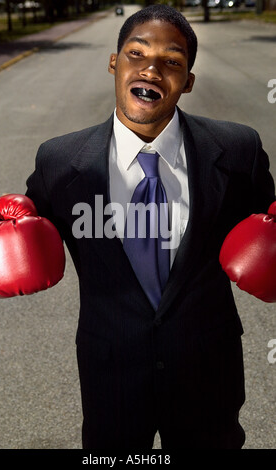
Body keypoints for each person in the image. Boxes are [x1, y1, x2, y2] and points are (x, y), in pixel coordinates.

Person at [26, 5, 275, 449]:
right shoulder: (59, 162)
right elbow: (24, 233)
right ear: (114, 63)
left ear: (189, 81)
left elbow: (269, 220)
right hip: (111, 378)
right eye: (136, 54)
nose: (152, 69)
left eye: (172, 61)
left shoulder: (238, 151)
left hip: (208, 374)